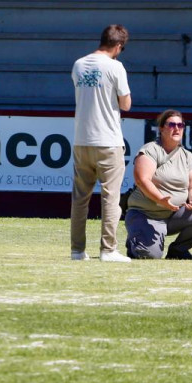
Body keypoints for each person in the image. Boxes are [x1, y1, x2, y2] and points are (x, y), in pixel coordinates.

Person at [71, 24, 132, 262]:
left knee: (79, 200)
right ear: (118, 46)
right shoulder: (116, 66)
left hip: (81, 140)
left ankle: (77, 250)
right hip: (108, 141)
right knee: (110, 198)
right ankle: (108, 249)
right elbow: (126, 104)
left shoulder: (78, 64)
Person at [124, 109, 192, 260]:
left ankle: (178, 251)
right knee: (149, 256)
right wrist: (160, 199)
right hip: (146, 215)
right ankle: (136, 240)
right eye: (171, 125)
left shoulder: (187, 156)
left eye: (181, 125)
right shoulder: (150, 149)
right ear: (162, 128)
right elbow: (142, 179)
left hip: (173, 216)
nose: (177, 128)